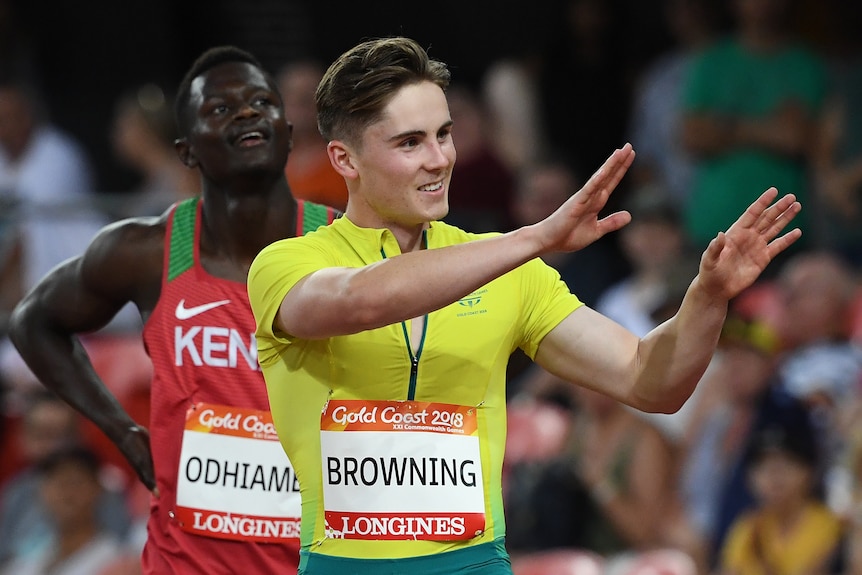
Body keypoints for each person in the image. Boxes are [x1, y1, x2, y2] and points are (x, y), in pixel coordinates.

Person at [247, 36, 802, 575]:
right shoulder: (286, 264)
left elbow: (650, 383)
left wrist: (705, 299)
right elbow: (359, 300)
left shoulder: (508, 270)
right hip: (343, 565)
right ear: (344, 159)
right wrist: (531, 238)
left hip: (475, 564)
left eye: (445, 134)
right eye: (410, 143)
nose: (439, 160)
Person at [8, 45, 338, 575]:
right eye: (221, 109)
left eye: (261, 101)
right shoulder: (145, 251)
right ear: (186, 151)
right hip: (187, 563)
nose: (247, 113)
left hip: (320, 559)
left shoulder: (349, 249)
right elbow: (33, 322)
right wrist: (122, 432)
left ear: (289, 130)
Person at [717, 424, 843, 575]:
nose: (774, 474)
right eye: (763, 465)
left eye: (787, 462)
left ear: (809, 472)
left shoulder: (828, 525)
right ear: (749, 478)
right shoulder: (746, 526)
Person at [0, 446, 127, 575]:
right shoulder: (30, 556)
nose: (64, 493)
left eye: (74, 482)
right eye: (54, 482)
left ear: (97, 488)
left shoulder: (116, 559)